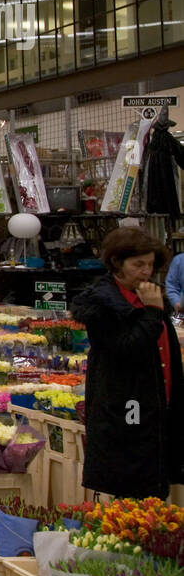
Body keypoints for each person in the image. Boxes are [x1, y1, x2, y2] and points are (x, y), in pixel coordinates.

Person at [71, 226, 183, 499]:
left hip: (158, 410)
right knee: (130, 492)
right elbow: (125, 348)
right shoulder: (104, 304)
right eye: (138, 265)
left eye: (150, 265)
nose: (146, 272)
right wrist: (154, 312)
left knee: (156, 490)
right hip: (126, 411)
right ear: (117, 264)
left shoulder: (148, 296)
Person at [144, 108, 184, 216]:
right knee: (168, 191)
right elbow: (180, 153)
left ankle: (155, 209)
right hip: (167, 171)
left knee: (154, 192)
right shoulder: (169, 139)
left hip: (152, 173)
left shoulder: (152, 142)